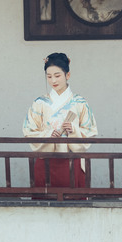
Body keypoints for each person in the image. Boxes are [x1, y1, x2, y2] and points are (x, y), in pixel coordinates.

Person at [22, 52, 97, 190]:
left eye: (57, 76)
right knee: (45, 199)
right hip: (45, 160)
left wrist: (74, 131)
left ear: (67, 75)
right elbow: (29, 130)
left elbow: (90, 130)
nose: (53, 81)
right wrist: (48, 135)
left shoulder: (80, 103)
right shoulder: (39, 103)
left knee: (73, 200)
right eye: (49, 76)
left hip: (72, 160)